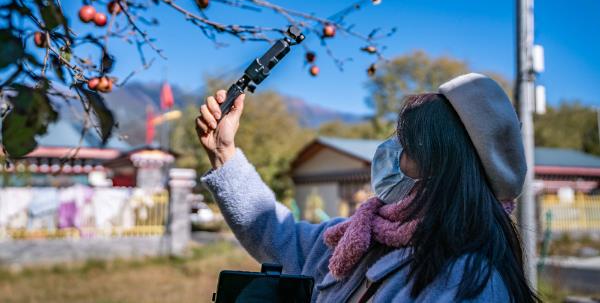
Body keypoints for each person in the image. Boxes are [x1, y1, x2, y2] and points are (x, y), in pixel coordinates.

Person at [196, 73, 540, 302]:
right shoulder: (358, 237)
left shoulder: (470, 283)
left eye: (406, 147)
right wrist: (223, 153)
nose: (388, 154)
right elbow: (276, 232)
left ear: (442, 168)